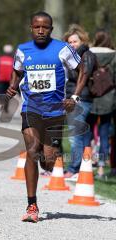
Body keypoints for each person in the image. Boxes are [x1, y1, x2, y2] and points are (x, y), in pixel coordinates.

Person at [5, 11, 83, 223]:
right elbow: (17, 71)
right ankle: (32, 205)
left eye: (45, 27)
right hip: (31, 108)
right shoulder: (23, 49)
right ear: (31, 28)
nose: (41, 30)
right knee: (31, 151)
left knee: (48, 161)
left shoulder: (62, 49)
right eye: (37, 27)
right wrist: (12, 86)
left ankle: (46, 159)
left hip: (56, 111)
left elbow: (83, 69)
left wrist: (74, 97)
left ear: (51, 29)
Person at [63, 24, 96, 179]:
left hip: (81, 99)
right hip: (74, 98)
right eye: (69, 42)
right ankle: (83, 169)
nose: (72, 45)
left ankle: (74, 169)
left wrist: (74, 97)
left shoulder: (87, 55)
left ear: (82, 41)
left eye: (75, 41)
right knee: (82, 135)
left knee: (74, 135)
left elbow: (83, 76)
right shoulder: (71, 57)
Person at [89, 30, 116, 179]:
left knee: (87, 134)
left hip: (91, 97)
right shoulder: (114, 55)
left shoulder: (89, 54)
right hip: (109, 99)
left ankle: (85, 165)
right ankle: (100, 169)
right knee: (105, 134)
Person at [0, 44, 14, 112]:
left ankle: (2, 104)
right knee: (8, 94)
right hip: (10, 80)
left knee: (1, 93)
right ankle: (6, 106)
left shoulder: (0, 59)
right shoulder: (13, 60)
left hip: (1, 79)